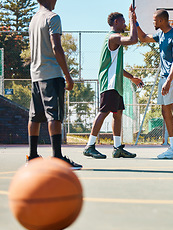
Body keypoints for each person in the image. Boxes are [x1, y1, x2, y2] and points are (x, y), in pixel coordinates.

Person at [135, 9, 173, 160]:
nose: (153, 23)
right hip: (165, 78)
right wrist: (134, 21)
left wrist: (169, 81)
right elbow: (143, 38)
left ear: (162, 20)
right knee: (165, 111)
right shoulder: (160, 34)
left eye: (155, 20)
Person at [27, 0, 82, 170]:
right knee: (54, 116)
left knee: (34, 116)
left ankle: (33, 155)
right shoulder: (53, 17)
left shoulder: (33, 19)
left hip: (36, 75)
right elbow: (56, 47)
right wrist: (68, 75)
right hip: (51, 74)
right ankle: (57, 157)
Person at [83, 5, 143, 159]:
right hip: (109, 83)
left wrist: (132, 78)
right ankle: (89, 146)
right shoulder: (113, 37)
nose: (125, 25)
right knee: (103, 112)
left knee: (118, 114)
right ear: (116, 22)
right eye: (123, 23)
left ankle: (117, 148)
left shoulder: (115, 39)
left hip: (115, 83)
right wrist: (133, 19)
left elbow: (117, 67)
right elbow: (133, 39)